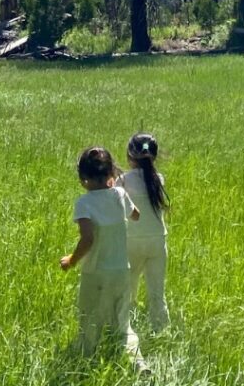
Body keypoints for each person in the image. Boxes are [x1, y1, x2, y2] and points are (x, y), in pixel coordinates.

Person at [60, 146, 145, 367]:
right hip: (121, 271)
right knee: (122, 323)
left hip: (95, 273)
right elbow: (136, 215)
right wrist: (117, 191)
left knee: (90, 321)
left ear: (83, 178)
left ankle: (86, 363)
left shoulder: (84, 203)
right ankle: (138, 363)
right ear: (110, 173)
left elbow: (87, 239)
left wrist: (71, 260)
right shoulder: (119, 194)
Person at [116, 133, 169, 331]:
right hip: (157, 239)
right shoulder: (158, 178)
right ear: (153, 156)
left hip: (132, 240)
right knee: (157, 292)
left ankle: (125, 328)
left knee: (127, 287)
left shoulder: (123, 180)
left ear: (130, 156)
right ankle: (161, 329)